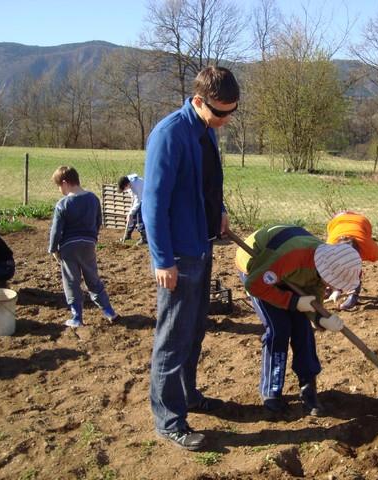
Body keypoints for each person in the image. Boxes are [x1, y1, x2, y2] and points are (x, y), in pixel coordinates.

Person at [142, 66, 239, 451]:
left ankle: (188, 394)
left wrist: (220, 210)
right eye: (220, 113)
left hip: (202, 245)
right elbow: (153, 204)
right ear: (199, 101)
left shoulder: (206, 130)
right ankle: (169, 420)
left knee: (195, 330)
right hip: (179, 256)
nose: (226, 120)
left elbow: (207, 183)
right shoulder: (169, 134)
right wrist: (162, 260)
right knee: (172, 337)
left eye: (232, 112)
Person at [235, 224, 362, 416]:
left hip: (287, 271)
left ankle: (308, 387)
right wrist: (293, 302)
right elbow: (256, 285)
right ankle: (271, 391)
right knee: (279, 329)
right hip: (258, 268)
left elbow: (313, 301)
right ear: (326, 270)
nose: (333, 287)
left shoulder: (322, 267)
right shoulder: (292, 257)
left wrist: (321, 320)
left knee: (302, 329)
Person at [48, 166, 118, 328]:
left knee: (71, 281)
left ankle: (77, 317)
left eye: (59, 186)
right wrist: (93, 238)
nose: (59, 190)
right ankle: (109, 312)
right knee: (93, 279)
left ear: (64, 183)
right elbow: (98, 221)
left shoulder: (63, 204)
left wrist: (53, 249)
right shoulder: (93, 199)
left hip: (69, 247)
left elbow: (56, 230)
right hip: (88, 245)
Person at [325, 211, 378, 310]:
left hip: (361, 222)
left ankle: (354, 294)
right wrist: (336, 289)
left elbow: (375, 256)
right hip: (337, 221)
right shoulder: (329, 248)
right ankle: (328, 288)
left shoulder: (369, 249)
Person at [117, 173, 147, 245]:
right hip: (138, 198)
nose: (124, 190)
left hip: (144, 199)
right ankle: (128, 235)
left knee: (139, 218)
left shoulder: (136, 186)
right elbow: (133, 195)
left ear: (127, 185)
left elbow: (138, 200)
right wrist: (131, 212)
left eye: (124, 189)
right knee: (132, 217)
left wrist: (130, 212)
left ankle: (144, 238)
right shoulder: (127, 181)